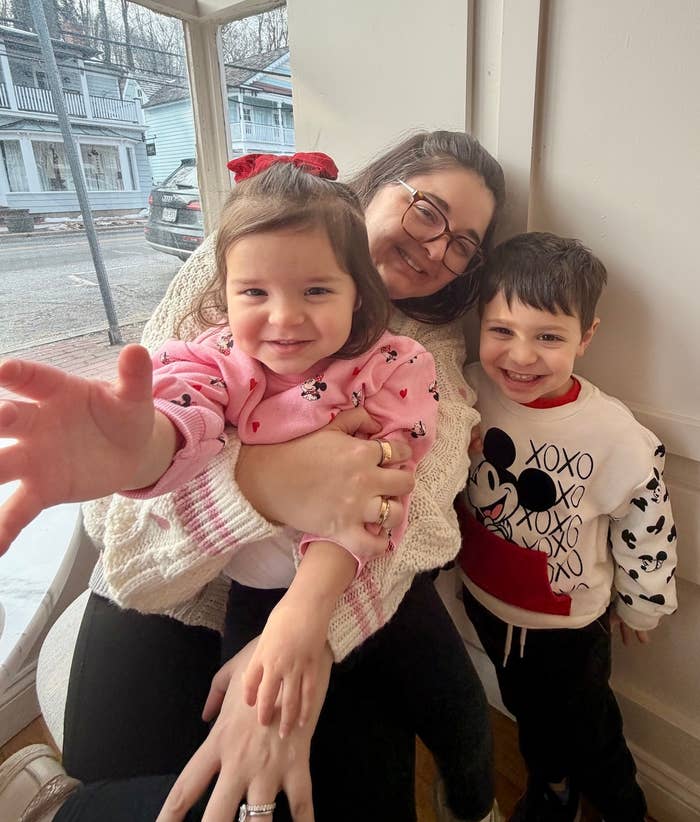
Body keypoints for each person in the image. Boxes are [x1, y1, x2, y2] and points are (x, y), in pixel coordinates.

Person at [0, 131, 506, 822]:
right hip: (174, 578)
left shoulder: (418, 359)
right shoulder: (244, 271)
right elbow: (180, 409)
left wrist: (299, 638)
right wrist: (183, 463)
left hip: (322, 587)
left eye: (463, 244)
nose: (436, 247)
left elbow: (409, 518)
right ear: (380, 183)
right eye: (428, 211)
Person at [456, 232, 678, 822]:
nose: (521, 356)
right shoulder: (467, 388)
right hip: (484, 597)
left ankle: (622, 807)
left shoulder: (613, 433)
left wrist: (643, 604)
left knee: (590, 728)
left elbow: (647, 520)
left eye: (548, 337)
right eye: (502, 330)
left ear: (586, 337)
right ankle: (553, 787)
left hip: (568, 627)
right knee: (522, 703)